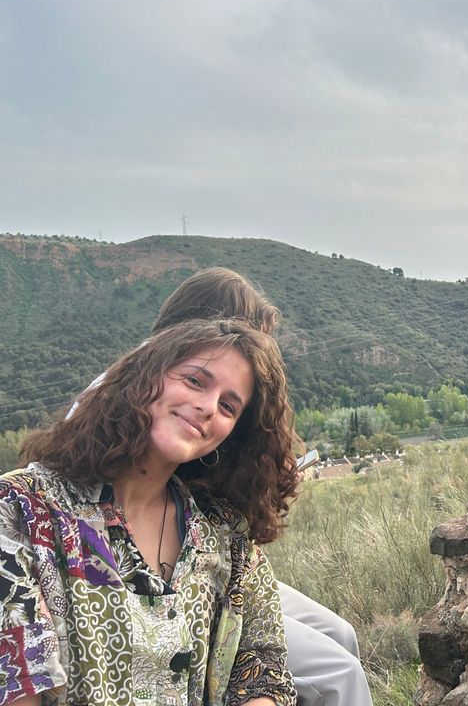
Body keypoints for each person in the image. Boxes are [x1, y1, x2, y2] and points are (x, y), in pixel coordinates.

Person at [68, 268, 371, 706]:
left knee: (340, 633)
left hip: (211, 561)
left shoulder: (192, 409)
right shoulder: (118, 398)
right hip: (150, 577)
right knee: (337, 673)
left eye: (229, 403)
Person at [0, 319, 298, 705]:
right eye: (195, 381)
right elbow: (17, 681)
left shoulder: (227, 538)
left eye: (228, 406)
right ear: (144, 377)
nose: (208, 407)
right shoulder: (22, 510)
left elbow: (263, 662)